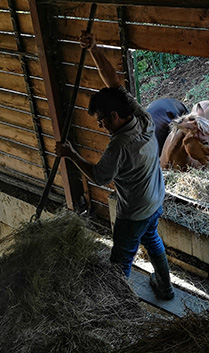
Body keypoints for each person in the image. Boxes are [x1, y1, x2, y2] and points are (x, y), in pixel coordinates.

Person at [55, 31, 174, 300]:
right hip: (155, 200)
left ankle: (118, 307)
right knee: (153, 240)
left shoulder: (119, 145)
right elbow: (114, 83)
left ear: (115, 116)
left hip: (132, 213)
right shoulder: (143, 118)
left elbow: (98, 176)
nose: (101, 126)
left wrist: (71, 153)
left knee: (119, 263)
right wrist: (94, 48)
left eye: (101, 121)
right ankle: (165, 288)